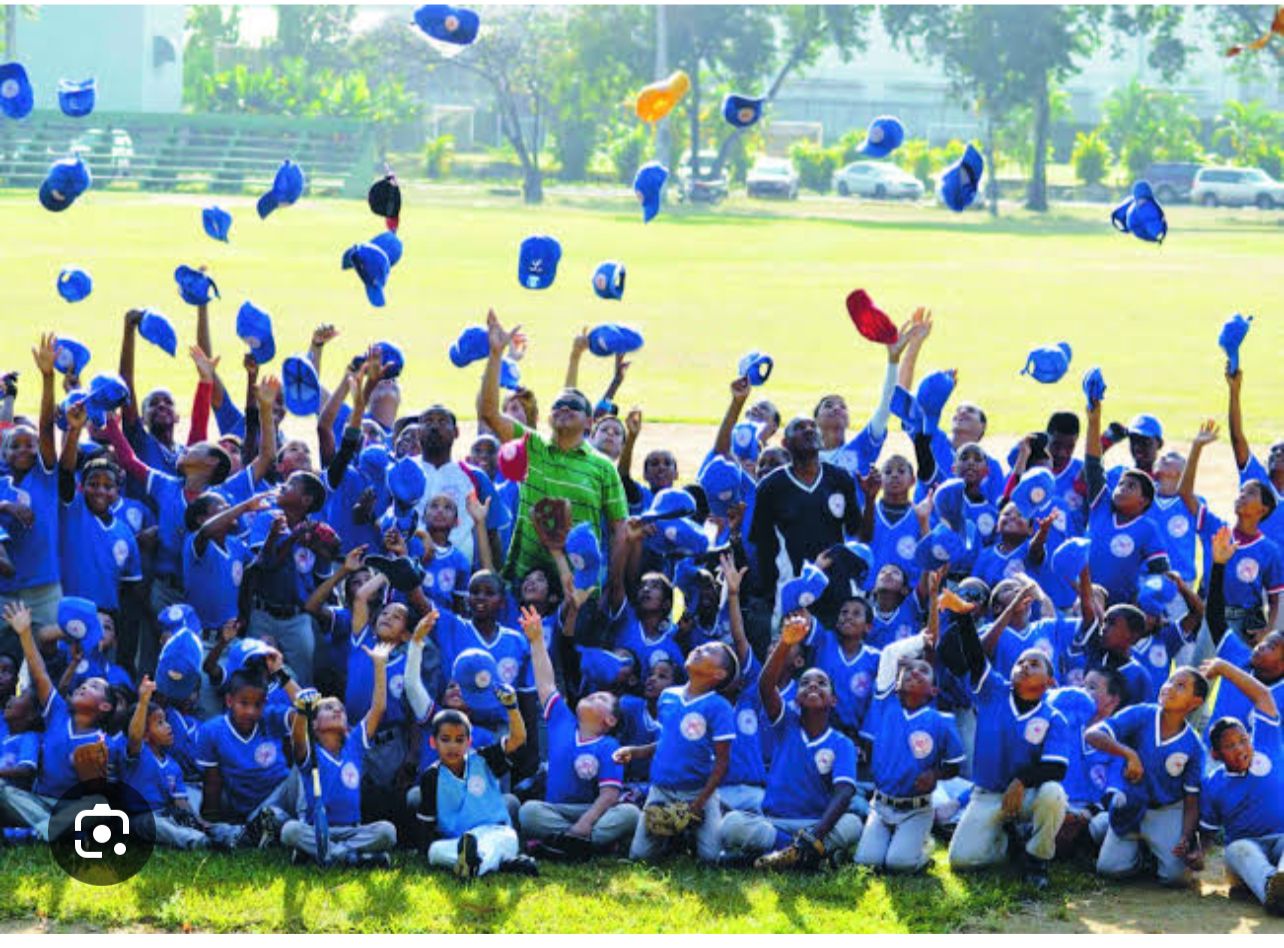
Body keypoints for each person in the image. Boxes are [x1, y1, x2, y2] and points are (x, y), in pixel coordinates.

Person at [476, 309, 628, 588]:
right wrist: (496, 355)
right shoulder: (532, 444)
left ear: (589, 422)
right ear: (548, 417)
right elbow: (488, 412)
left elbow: (620, 530)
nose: (565, 408)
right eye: (558, 405)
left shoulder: (604, 467)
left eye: (575, 406)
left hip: (580, 591)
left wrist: (615, 588)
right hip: (524, 583)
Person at [942, 597, 1070, 890]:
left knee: (1053, 794)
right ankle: (1010, 840)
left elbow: (1057, 768)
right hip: (987, 793)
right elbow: (976, 656)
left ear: (1050, 682)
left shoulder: (1054, 717)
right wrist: (963, 618)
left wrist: (1021, 780)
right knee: (962, 861)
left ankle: (1036, 860)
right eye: (1020, 662)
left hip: (1027, 794)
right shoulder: (993, 691)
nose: (1024, 666)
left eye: (1034, 664)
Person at [719, 611, 862, 869]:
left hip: (817, 823)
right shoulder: (786, 725)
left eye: (822, 683)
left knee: (853, 824)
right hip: (776, 822)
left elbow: (844, 792)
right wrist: (785, 643)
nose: (813, 686)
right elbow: (765, 686)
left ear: (833, 700)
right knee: (731, 825)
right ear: (796, 699)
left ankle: (774, 855)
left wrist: (816, 834)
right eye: (805, 683)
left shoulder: (842, 743)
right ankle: (804, 855)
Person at [857, 573, 966, 872]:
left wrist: (936, 773)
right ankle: (896, 840)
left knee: (899, 864)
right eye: (910, 671)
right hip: (880, 806)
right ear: (897, 682)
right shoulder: (885, 704)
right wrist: (920, 639)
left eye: (924, 673)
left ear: (934, 690)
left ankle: (921, 847)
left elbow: (955, 765)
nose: (915, 673)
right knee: (866, 863)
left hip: (917, 809)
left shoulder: (940, 720)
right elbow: (893, 654)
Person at [517, 605, 640, 858]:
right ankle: (582, 843)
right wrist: (537, 640)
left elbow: (609, 795)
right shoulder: (562, 720)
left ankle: (563, 841)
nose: (591, 696)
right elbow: (546, 683)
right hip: (557, 810)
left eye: (600, 699)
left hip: (592, 810)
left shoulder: (609, 746)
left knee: (629, 814)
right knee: (528, 812)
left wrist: (586, 822)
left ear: (610, 720)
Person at [0, 602, 123, 840]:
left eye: (94, 686)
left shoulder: (103, 742)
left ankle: (30, 834)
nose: (85, 685)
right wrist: (25, 634)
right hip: (39, 802)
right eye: (85, 683)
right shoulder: (58, 713)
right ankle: (45, 832)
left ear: (105, 706)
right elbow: (39, 673)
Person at [1085, 666, 1209, 886]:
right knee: (1108, 869)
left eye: (1180, 686)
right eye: (1170, 681)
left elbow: (1191, 801)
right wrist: (1128, 753)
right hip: (1131, 804)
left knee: (1175, 878)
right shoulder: (1141, 714)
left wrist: (1186, 837)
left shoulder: (1194, 746)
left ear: (1195, 703)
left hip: (1166, 810)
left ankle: (1150, 846)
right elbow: (1092, 734)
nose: (1169, 687)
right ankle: (1128, 844)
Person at [617, 641, 739, 864]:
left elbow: (723, 762)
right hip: (662, 789)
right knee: (639, 856)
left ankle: (714, 816)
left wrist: (699, 804)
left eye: (710, 651)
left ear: (719, 674)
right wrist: (636, 751)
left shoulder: (719, 707)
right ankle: (676, 839)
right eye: (702, 647)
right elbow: (667, 743)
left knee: (711, 858)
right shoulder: (668, 697)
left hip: (699, 791)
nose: (700, 648)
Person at [281, 643, 399, 867]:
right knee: (290, 831)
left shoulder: (354, 745)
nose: (337, 710)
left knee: (387, 831)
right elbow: (297, 737)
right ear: (314, 724)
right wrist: (301, 711)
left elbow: (378, 708)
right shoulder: (311, 752)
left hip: (352, 831)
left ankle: (329, 854)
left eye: (341, 710)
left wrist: (380, 666)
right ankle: (354, 858)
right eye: (328, 708)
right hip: (317, 829)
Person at [415, 694, 534, 880]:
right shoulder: (431, 776)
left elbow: (518, 739)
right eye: (445, 739)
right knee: (434, 852)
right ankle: (497, 863)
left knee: (503, 841)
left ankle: (476, 865)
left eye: (459, 739)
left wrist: (512, 707)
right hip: (460, 841)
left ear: (469, 743)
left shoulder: (485, 759)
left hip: (495, 832)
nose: (452, 746)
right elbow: (426, 824)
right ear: (433, 742)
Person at [1199, 656, 1284, 914]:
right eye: (1230, 746)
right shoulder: (1214, 783)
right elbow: (1207, 832)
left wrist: (1225, 668)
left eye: (1243, 740)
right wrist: (1196, 855)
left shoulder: (1267, 745)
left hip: (1281, 839)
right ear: (1216, 755)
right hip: (1248, 850)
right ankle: (1273, 888)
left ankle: (1281, 883)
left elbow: (1263, 696)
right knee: (1237, 849)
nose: (1240, 748)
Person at [749, 416, 861, 606]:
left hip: (838, 589)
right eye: (800, 428)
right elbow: (764, 548)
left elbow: (857, 531)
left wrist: (872, 499)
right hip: (794, 591)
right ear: (786, 443)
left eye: (813, 426)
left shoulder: (840, 479)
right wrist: (769, 596)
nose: (809, 430)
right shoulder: (771, 487)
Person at [195, 658, 301, 849]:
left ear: (265, 703)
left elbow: (306, 710)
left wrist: (281, 675)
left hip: (283, 795)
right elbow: (213, 782)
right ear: (229, 701)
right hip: (253, 811)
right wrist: (210, 824)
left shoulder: (271, 717)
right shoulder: (212, 731)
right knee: (271, 817)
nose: (250, 711)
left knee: (304, 768)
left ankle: (304, 825)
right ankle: (267, 831)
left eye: (257, 705)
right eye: (243, 703)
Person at [0, 335, 61, 656]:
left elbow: (48, 427)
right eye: (15, 445)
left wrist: (48, 378)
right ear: (4, 452)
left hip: (43, 588)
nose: (25, 449)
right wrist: (6, 505)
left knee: (50, 655)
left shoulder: (46, 476)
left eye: (30, 444)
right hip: (3, 592)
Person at [124, 675, 214, 849]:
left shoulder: (173, 765)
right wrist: (143, 702)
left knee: (193, 822)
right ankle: (194, 840)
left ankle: (231, 834)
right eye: (160, 723)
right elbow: (134, 736)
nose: (168, 726)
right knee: (155, 825)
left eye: (165, 721)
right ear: (145, 733)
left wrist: (196, 820)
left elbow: (180, 801)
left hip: (167, 814)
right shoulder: (137, 753)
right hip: (138, 817)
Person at [1225, 366, 1284, 551]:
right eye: (1274, 451)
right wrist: (1234, 391)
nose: (1278, 454)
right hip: (1250, 569)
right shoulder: (1257, 479)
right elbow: (1237, 437)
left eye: (1283, 451)